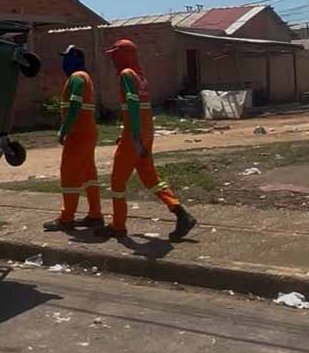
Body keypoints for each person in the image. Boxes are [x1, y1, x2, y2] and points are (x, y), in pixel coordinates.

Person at [96, 39, 197, 240]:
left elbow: (133, 106)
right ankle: (180, 213)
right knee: (151, 178)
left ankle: (118, 226)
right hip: (146, 132)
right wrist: (133, 133)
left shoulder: (126, 75)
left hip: (135, 137)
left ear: (124, 56)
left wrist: (133, 138)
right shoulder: (140, 77)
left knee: (117, 181)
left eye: (115, 55)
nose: (113, 60)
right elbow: (140, 110)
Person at [43, 45, 104, 231]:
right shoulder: (85, 77)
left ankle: (66, 218)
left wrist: (64, 129)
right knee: (89, 175)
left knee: (69, 174)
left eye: (67, 57)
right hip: (88, 133)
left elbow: (75, 105)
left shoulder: (77, 77)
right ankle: (95, 215)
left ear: (76, 59)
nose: (64, 62)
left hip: (78, 134)